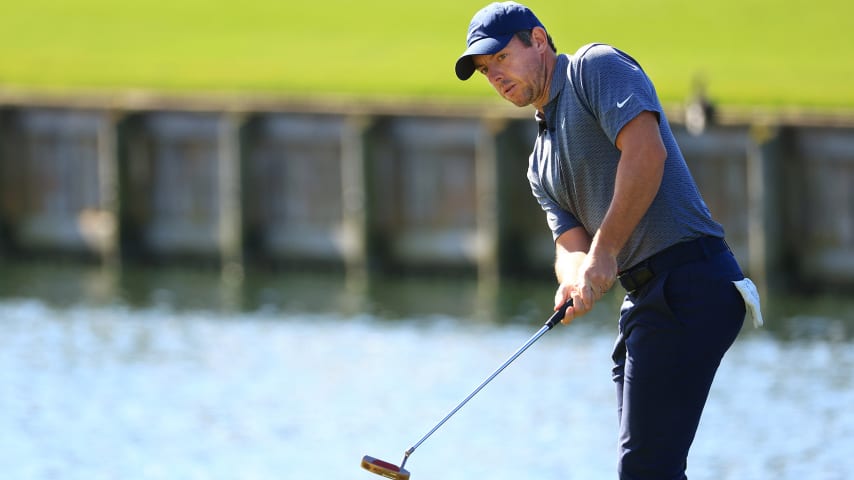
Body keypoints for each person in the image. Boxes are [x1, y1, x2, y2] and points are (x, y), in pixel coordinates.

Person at [455, 2, 759, 479]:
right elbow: (569, 243)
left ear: (538, 40)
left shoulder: (595, 68)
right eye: (485, 68)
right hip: (647, 302)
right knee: (646, 469)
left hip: (693, 281)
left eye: (501, 58)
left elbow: (646, 154)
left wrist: (605, 253)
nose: (495, 75)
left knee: (645, 470)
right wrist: (575, 280)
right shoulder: (539, 162)